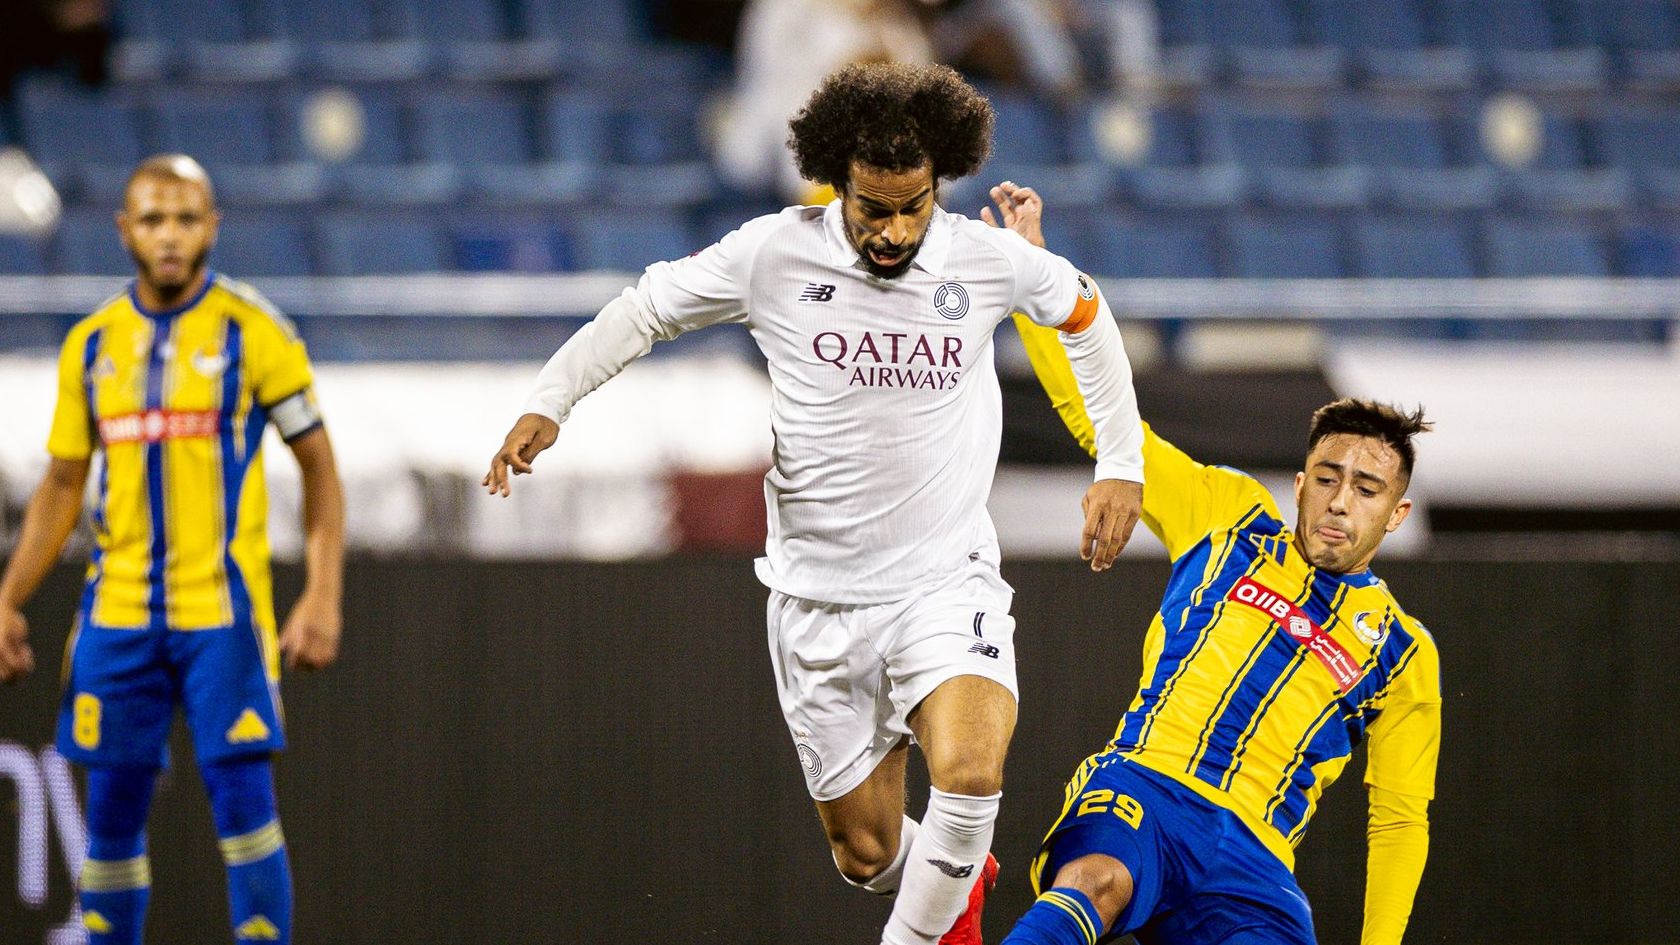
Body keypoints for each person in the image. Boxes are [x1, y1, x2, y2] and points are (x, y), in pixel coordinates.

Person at [485, 62, 1147, 945]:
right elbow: (644, 309)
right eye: (874, 207)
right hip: (817, 601)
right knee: (868, 854)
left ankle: (935, 907)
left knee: (971, 772)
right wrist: (550, 398)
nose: (894, 228)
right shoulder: (773, 254)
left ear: (937, 186)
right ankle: (956, 884)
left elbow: (1086, 316)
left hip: (944, 584)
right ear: (838, 183)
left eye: (913, 206)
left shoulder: (984, 262)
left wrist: (1120, 458)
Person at [988, 191, 1441, 945]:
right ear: (1299, 483)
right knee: (1096, 880)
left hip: (1255, 859)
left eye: (1366, 489)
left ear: (1395, 514)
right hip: (1146, 786)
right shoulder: (1227, 515)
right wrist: (1039, 276)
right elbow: (1107, 427)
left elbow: (1398, 818)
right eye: (1326, 477)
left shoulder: (1401, 651)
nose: (1338, 501)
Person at [0, 154, 344, 945]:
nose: (169, 235)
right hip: (117, 612)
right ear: (124, 231)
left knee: (245, 809)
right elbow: (61, 485)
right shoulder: (91, 346)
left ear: (212, 227)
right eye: (152, 218)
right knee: (113, 815)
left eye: (186, 218)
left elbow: (320, 471)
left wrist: (322, 592)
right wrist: (9, 597)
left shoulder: (255, 333)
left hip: (220, 615)